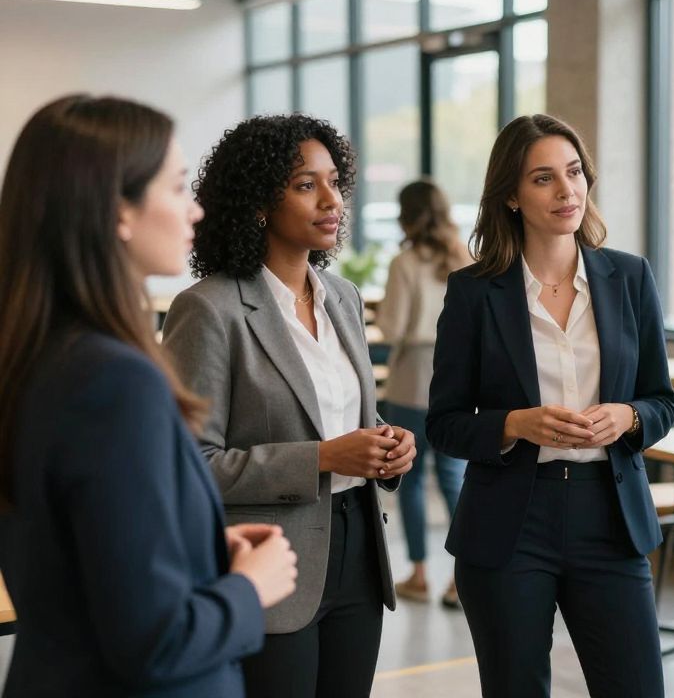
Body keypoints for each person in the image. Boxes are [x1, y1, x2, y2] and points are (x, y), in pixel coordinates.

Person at [0, 95, 298, 697]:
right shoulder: (112, 380)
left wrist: (200, 548)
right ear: (119, 212)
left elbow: (72, 551)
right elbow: (155, 643)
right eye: (178, 187)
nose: (196, 210)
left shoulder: (39, 353)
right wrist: (250, 589)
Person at [161, 114, 415, 698]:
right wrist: (323, 457)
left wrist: (387, 444)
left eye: (334, 182)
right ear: (258, 204)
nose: (332, 200)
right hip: (270, 561)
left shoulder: (343, 299)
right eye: (306, 185)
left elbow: (344, 419)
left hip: (358, 552)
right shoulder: (209, 309)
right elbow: (189, 465)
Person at [426, 114, 674, 698]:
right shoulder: (473, 292)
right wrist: (515, 424)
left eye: (574, 172)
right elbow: (444, 423)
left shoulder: (630, 277)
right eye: (544, 178)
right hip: (512, 520)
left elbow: (660, 399)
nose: (567, 191)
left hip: (610, 517)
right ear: (511, 195)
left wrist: (629, 417)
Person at [377, 179, 470, 609]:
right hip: (456, 382)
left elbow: (393, 328)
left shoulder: (405, 263)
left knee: (411, 481)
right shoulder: (462, 257)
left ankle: (417, 574)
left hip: (412, 379)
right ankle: (460, 578)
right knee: (454, 481)